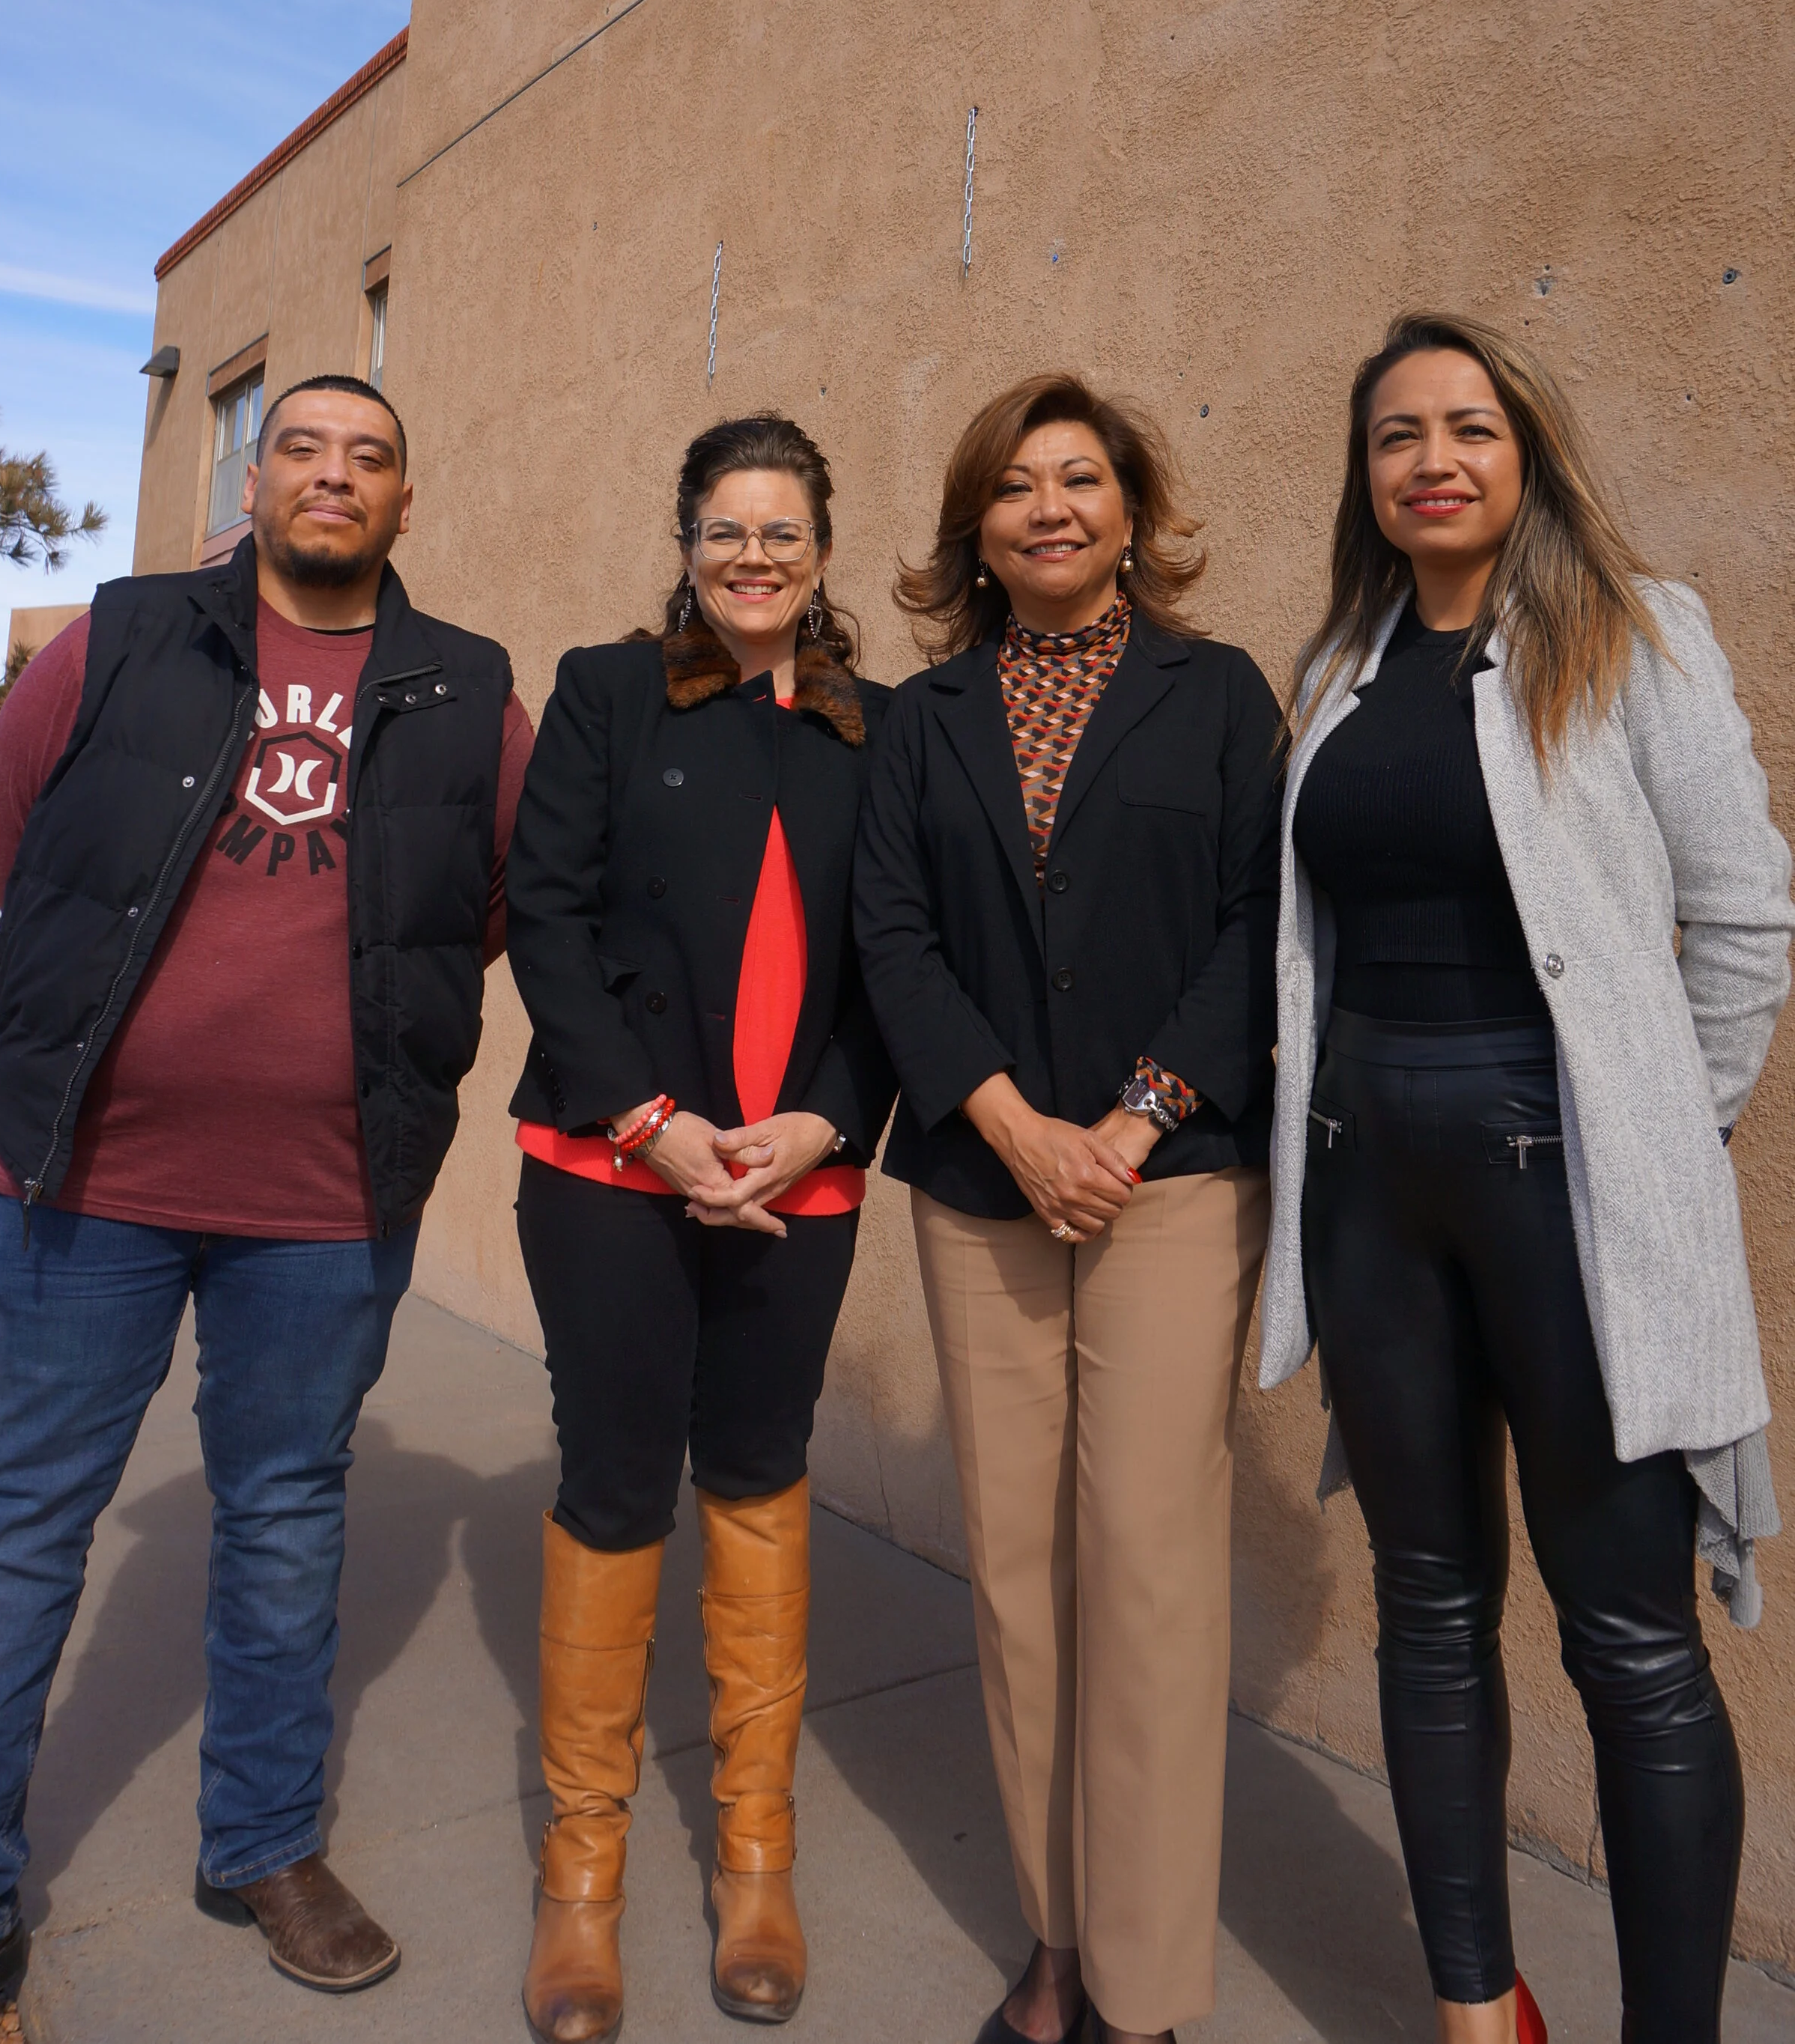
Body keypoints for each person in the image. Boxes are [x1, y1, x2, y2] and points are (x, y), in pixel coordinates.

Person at [0, 374, 533, 2025]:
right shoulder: (120, 640)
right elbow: (17, 847)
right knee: (16, 1527)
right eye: (303, 448)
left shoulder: (470, 690)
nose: (335, 474)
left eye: (370, 456)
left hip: (328, 1200)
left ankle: (262, 1844)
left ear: (404, 498)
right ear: (253, 482)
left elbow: (474, 911)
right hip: (84, 1179)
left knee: (284, 1518)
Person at [1260, 311, 1792, 2044]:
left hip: (1567, 1199)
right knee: (1426, 1608)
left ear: (1527, 451)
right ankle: (1475, 2014)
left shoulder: (1630, 636)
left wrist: (1668, 1138)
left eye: (1467, 428)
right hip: (1368, 1192)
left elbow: (1743, 917)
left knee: (1628, 1640)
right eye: (1395, 434)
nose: (1431, 460)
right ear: (1364, 474)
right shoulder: (1336, 666)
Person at [854, 374, 1281, 2044]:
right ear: (977, 527)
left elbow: (1257, 924)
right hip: (985, 1183)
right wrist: (1014, 1124)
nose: (1050, 507)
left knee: (1149, 1572)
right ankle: (1056, 1936)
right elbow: (892, 935)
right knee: (1020, 1575)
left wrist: (1134, 1116)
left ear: (1130, 511)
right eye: (1017, 485)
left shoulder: (1217, 694)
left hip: (1167, 1183)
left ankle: (1145, 1980)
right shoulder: (922, 719)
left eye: (1081, 478)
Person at [502, 413, 895, 2044]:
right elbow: (545, 913)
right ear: (685, 546)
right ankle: (582, 1874)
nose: (753, 556)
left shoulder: (877, 729)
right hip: (614, 1166)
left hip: (799, 1176)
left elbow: (898, 954)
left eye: (782, 531)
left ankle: (754, 1855)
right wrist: (650, 1121)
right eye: (726, 528)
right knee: (613, 1481)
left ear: (821, 552)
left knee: (754, 1469)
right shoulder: (605, 692)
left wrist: (826, 1120)